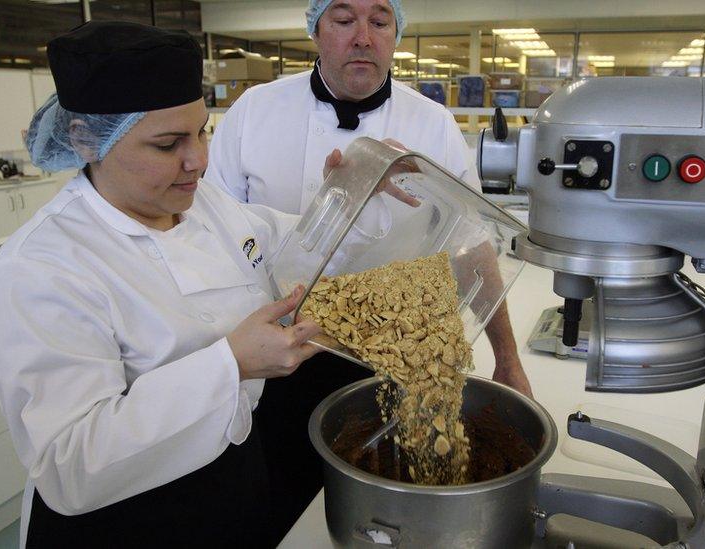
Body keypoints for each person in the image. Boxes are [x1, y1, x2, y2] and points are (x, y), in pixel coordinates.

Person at [0, 21, 350, 547]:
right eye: (168, 144)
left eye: (202, 131)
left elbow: (290, 242)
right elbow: (70, 465)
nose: (198, 162)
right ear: (86, 141)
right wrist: (230, 364)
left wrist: (351, 193)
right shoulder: (39, 272)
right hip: (125, 520)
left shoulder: (201, 203)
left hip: (231, 476)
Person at [204, 0, 533, 542]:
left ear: (396, 34)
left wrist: (508, 358)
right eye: (343, 19)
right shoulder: (253, 113)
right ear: (315, 30)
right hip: (277, 355)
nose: (363, 36)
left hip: (398, 358)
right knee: (286, 509)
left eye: (379, 21)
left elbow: (474, 247)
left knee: (390, 502)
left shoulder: (433, 123)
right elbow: (214, 232)